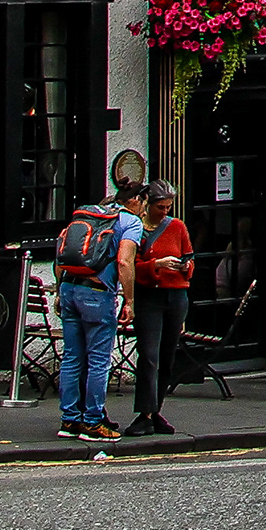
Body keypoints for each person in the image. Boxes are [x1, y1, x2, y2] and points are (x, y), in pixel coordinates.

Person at [50, 162, 139, 443]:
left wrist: (58, 292)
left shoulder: (87, 217)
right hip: (98, 293)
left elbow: (61, 255)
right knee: (99, 360)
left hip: (69, 288)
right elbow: (124, 261)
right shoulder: (129, 222)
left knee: (73, 356)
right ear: (136, 201)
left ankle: (69, 420)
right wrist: (129, 300)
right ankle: (92, 422)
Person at [128, 180, 196, 437]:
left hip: (176, 295)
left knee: (167, 356)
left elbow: (189, 258)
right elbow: (132, 265)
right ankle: (144, 413)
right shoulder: (137, 229)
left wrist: (183, 267)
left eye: (168, 206)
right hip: (149, 297)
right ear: (148, 204)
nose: (165, 211)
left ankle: (155, 410)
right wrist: (156, 264)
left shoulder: (177, 227)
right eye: (160, 207)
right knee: (148, 355)